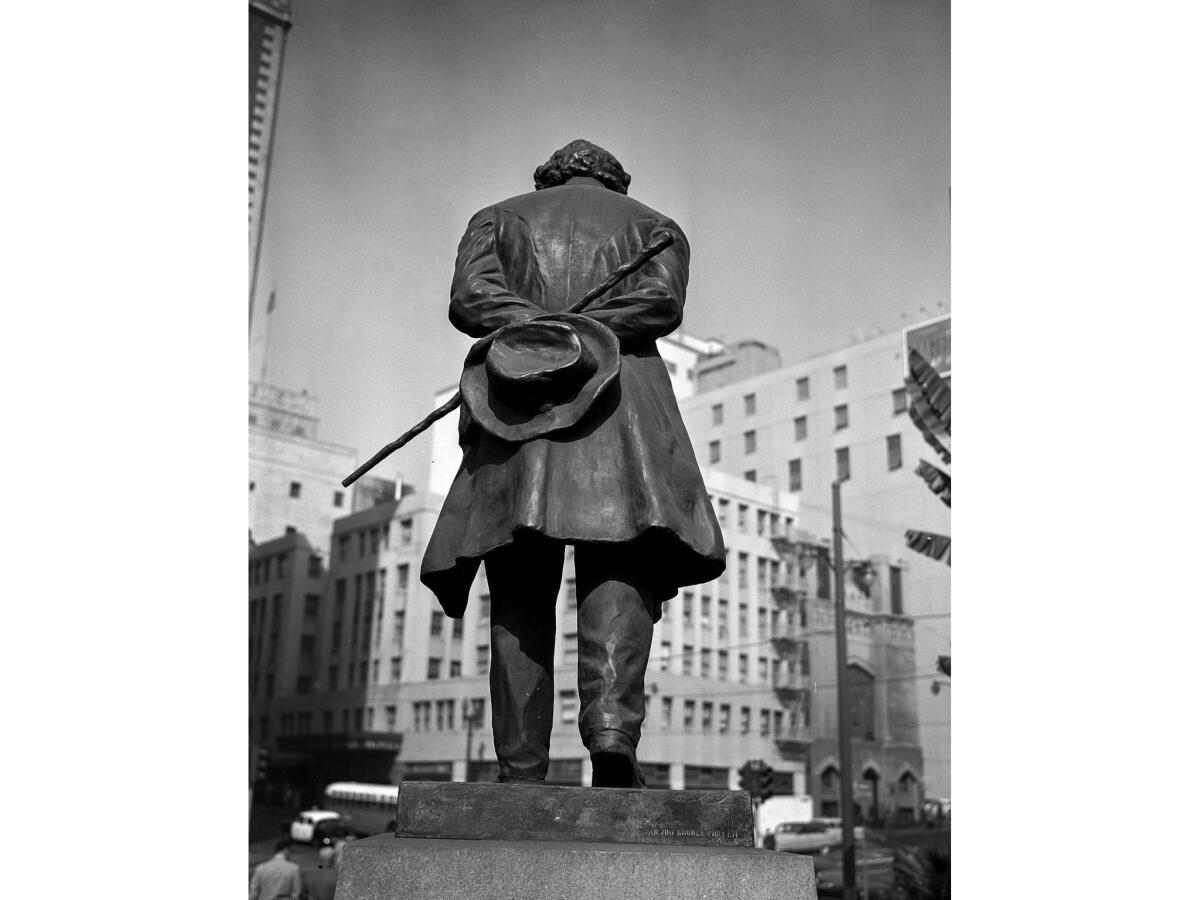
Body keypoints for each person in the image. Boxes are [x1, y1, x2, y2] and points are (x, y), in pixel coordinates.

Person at [421, 139, 725, 788]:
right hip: (621, 408)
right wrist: (580, 333)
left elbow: (471, 299)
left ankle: (521, 766)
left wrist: (537, 328)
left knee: (519, 584)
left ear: (549, 177)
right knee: (621, 566)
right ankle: (612, 730)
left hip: (519, 402)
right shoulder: (655, 225)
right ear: (615, 182)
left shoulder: (495, 216)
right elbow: (659, 306)